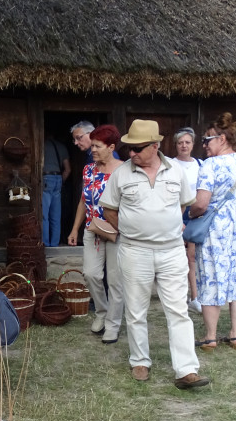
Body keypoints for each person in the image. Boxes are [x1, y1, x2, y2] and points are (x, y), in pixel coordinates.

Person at [99, 120, 209, 390]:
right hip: (134, 250)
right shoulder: (121, 174)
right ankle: (139, 361)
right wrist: (130, 230)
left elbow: (183, 205)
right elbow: (109, 209)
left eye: (137, 148)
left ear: (155, 146)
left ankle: (186, 370)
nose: (131, 153)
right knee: (136, 309)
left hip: (171, 250)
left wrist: (163, 227)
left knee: (178, 310)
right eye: (129, 148)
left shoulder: (175, 171)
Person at [188, 113, 236, 350]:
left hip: (217, 228)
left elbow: (201, 203)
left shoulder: (210, 165)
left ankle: (210, 336)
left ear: (222, 139)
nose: (204, 145)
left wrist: (190, 214)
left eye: (207, 140)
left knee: (212, 275)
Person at [67, 124, 126, 342]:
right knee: (91, 274)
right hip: (93, 229)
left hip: (117, 231)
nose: (92, 150)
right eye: (91, 146)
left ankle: (113, 324)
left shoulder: (124, 171)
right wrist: (75, 228)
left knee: (116, 280)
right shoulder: (88, 170)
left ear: (111, 147)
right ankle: (102, 312)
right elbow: (84, 200)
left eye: (97, 146)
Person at [173, 127, 203, 313]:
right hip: (176, 211)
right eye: (180, 143)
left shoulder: (200, 164)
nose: (184, 146)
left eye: (187, 142)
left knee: (191, 256)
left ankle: (195, 296)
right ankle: (175, 294)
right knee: (175, 256)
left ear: (192, 144)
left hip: (195, 212)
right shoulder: (171, 164)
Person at [42, 136, 71, 247]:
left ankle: (45, 243)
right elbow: (68, 170)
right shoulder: (61, 146)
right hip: (58, 178)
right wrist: (60, 181)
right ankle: (54, 243)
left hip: (45, 178)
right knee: (56, 215)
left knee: (44, 215)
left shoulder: (42, 145)